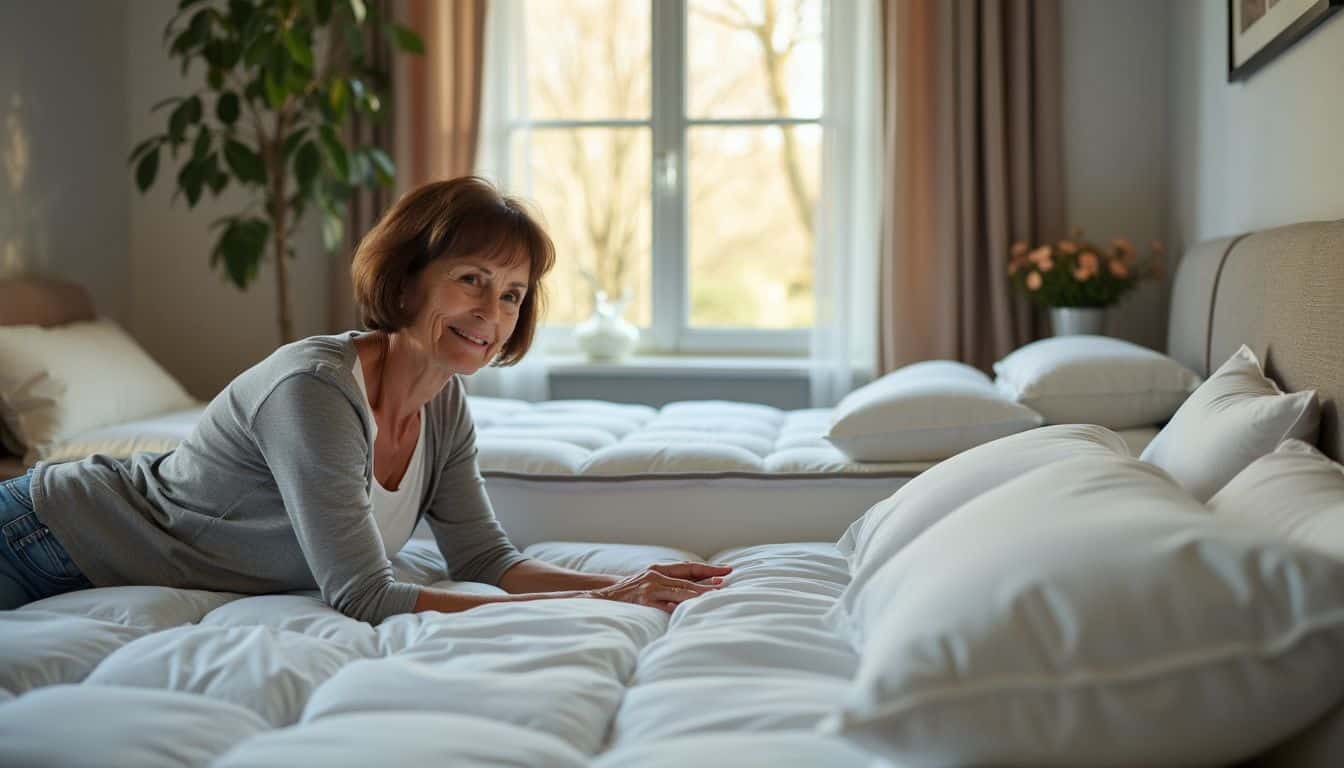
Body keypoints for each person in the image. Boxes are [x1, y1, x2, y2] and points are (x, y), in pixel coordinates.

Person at [0, 176, 730, 620]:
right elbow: (362, 596)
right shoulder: (313, 391)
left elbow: (481, 555)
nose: (493, 312)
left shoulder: (443, 405)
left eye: (511, 294)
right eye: (471, 278)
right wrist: (598, 604)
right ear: (410, 278)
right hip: (47, 534)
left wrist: (627, 583)